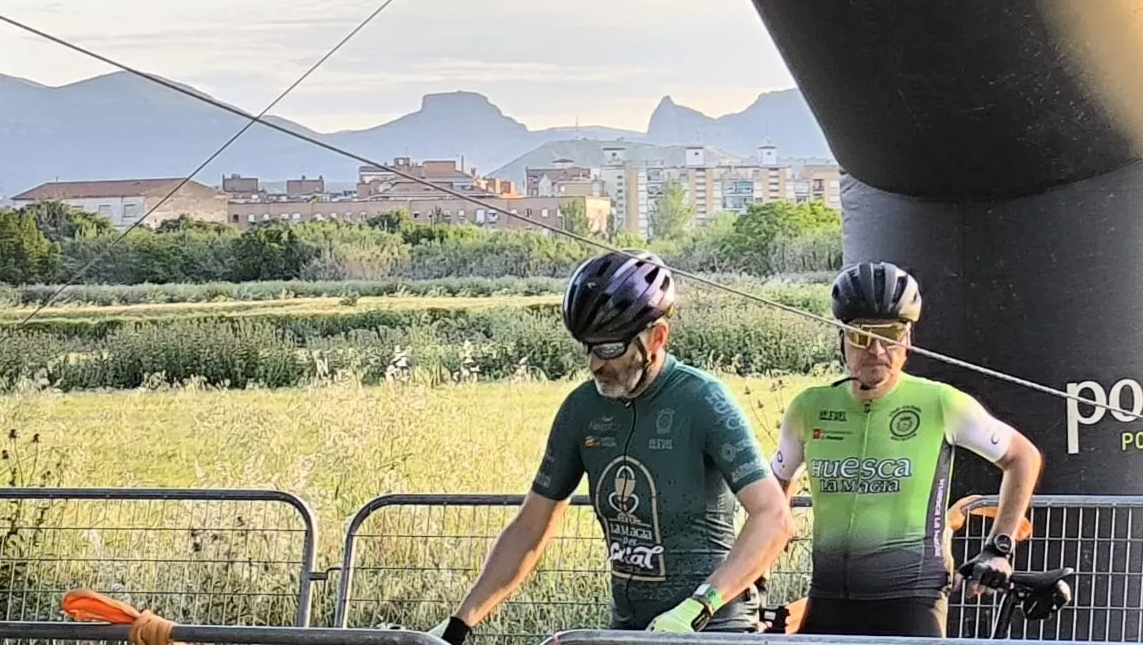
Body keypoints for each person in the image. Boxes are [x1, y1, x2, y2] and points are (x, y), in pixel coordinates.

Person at [431, 249, 793, 643]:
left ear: (656, 337)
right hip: (629, 630)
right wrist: (460, 623)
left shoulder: (703, 401)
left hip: (712, 628)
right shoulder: (581, 409)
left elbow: (773, 518)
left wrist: (700, 605)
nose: (594, 364)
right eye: (586, 346)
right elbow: (530, 527)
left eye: (608, 348)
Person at [768, 261, 1045, 637]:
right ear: (842, 338)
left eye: (891, 334)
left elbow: (1022, 457)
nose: (877, 349)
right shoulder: (809, 407)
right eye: (862, 336)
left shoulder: (939, 403)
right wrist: (760, 562)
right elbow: (776, 484)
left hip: (911, 600)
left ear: (908, 340)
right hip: (829, 599)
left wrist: (999, 546)